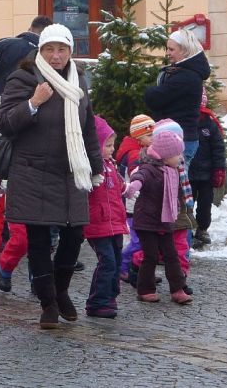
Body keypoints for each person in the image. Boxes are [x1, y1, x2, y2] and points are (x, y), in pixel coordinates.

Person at [0, 23, 103, 329]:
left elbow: (88, 127)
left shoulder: (76, 79)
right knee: (39, 240)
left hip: (71, 171)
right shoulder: (24, 77)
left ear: (71, 52)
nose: (56, 56)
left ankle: (62, 289)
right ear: (40, 51)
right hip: (33, 171)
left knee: (74, 236)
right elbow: (4, 122)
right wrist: (33, 103)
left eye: (62, 49)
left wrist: (95, 167)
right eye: (50, 49)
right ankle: (48, 303)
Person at [123, 131, 193, 305]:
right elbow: (139, 177)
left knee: (172, 255)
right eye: (177, 154)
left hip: (166, 220)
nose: (180, 158)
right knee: (151, 255)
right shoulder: (149, 168)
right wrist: (133, 187)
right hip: (147, 221)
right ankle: (145, 289)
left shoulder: (171, 170)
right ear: (165, 156)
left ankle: (178, 289)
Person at [144, 29, 210, 168]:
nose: (167, 53)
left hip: (181, 139)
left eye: (171, 49)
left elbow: (154, 98)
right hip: (178, 136)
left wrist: (149, 91)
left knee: (176, 184)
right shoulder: (184, 72)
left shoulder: (186, 77)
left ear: (184, 50)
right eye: (167, 48)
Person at [84, 116, 128, 319]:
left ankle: (110, 297)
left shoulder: (111, 165)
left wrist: (128, 188)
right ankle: (97, 301)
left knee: (116, 261)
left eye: (113, 145)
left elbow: (118, 186)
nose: (112, 149)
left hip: (115, 222)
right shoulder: (92, 167)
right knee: (107, 261)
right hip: (98, 223)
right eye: (107, 145)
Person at [0, 15, 53, 97]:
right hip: (34, 104)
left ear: (29, 29)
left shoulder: (5, 43)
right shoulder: (52, 56)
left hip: (0, 100)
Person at [116, 114, 155, 282]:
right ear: (139, 137)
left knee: (140, 240)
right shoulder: (134, 154)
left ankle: (134, 269)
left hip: (135, 203)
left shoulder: (138, 149)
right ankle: (121, 265)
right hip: (133, 204)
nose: (154, 139)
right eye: (150, 135)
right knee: (138, 241)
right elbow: (136, 176)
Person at [188, 91, 226, 249]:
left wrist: (218, 170)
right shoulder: (185, 123)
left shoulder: (210, 124)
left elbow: (218, 148)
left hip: (206, 175)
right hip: (188, 174)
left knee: (205, 205)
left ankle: (202, 229)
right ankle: (186, 230)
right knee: (187, 204)